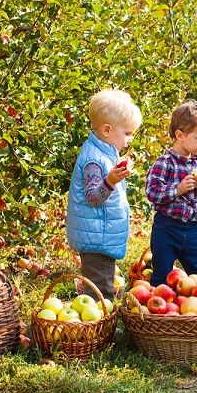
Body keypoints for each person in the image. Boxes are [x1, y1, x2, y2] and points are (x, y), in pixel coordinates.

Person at [66, 89, 142, 300]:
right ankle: (99, 326)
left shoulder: (103, 152)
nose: (130, 139)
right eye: (127, 133)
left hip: (100, 233)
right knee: (101, 289)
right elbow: (93, 198)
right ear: (107, 130)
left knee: (103, 281)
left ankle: (98, 319)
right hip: (95, 237)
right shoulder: (93, 159)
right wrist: (111, 180)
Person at [145, 100, 197, 286]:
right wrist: (177, 190)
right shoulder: (165, 163)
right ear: (180, 135)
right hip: (167, 228)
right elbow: (152, 193)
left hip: (193, 229)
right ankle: (158, 312)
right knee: (161, 274)